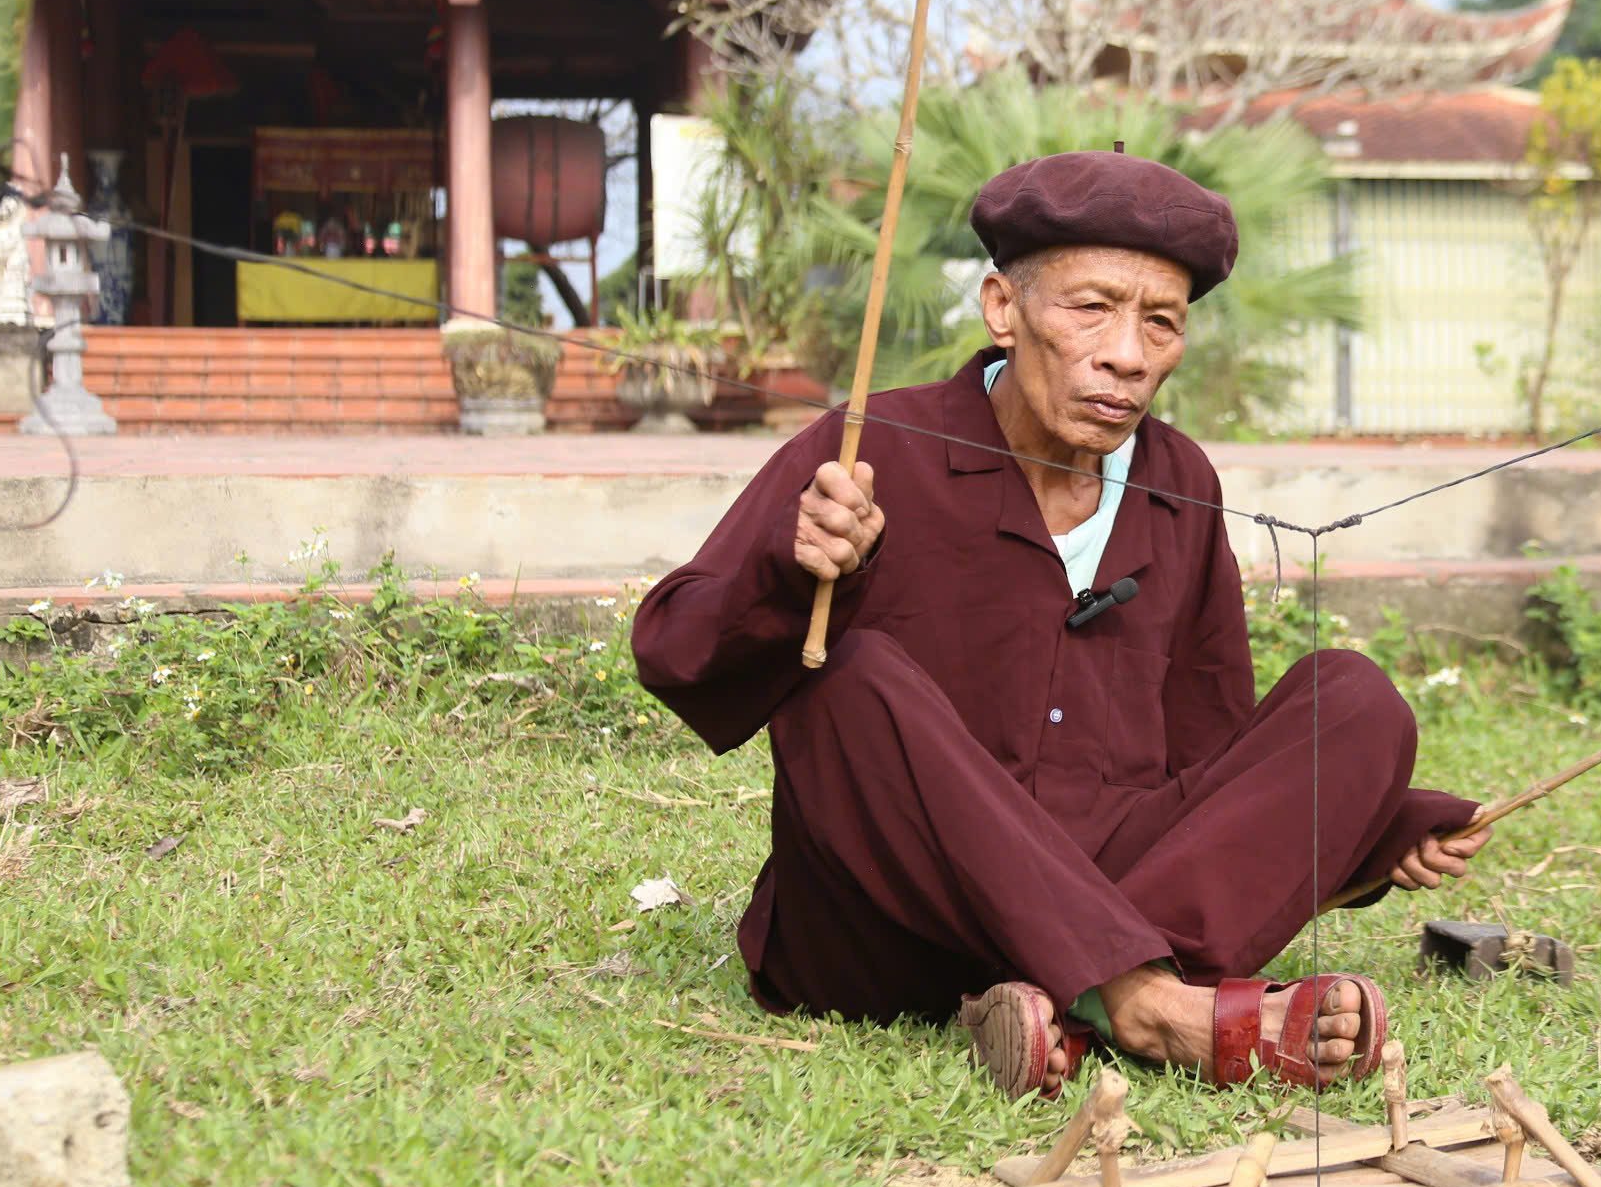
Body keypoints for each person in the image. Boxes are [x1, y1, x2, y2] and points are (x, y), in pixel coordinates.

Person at [633, 150, 1486, 1098]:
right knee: (847, 676)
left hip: (1110, 886)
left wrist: (1368, 819)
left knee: (1357, 703)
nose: (1127, 352)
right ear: (1004, 306)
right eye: (1092, 308)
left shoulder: (1180, 482)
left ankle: (1066, 998)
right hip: (891, 926)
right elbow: (671, 649)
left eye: (1160, 322)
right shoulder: (869, 449)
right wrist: (791, 571)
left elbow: (1209, 750)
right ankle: (1148, 1008)